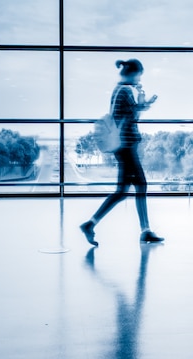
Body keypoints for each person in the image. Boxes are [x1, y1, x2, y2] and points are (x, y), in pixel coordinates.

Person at [80, 59, 164, 246]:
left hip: (124, 147)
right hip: (126, 146)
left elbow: (129, 114)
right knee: (138, 185)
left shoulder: (119, 91)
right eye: (140, 74)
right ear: (133, 73)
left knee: (125, 190)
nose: (140, 78)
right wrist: (144, 102)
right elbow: (132, 117)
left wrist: (142, 103)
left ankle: (92, 224)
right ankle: (144, 231)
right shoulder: (124, 91)